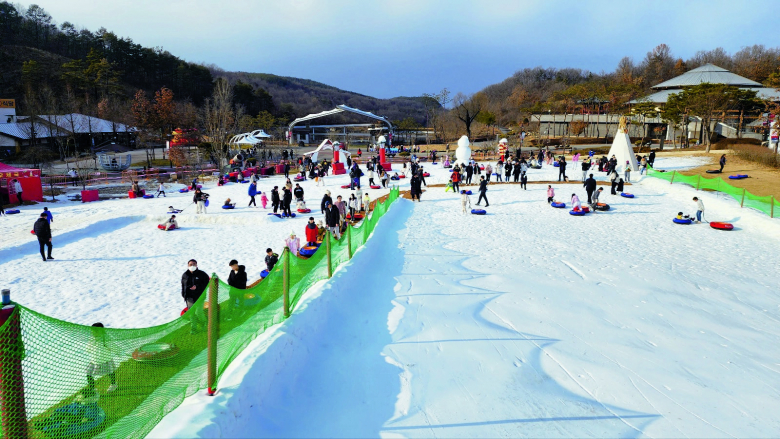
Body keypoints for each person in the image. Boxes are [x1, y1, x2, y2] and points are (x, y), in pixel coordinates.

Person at [84, 322, 118, 398]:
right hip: (95, 360)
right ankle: (93, 389)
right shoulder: (92, 339)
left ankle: (113, 384)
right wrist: (93, 342)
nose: (94, 333)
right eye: (93, 331)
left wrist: (118, 351)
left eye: (96, 331)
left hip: (105, 360)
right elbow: (88, 349)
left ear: (101, 331)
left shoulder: (106, 338)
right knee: (89, 374)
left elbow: (114, 347)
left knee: (110, 372)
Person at [181, 259, 209, 332]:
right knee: (192, 314)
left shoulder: (202, 274)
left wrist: (197, 287)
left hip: (200, 297)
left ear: (196, 265)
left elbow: (206, 284)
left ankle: (204, 323)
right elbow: (183, 286)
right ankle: (194, 328)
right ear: (188, 265)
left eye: (194, 264)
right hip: (189, 298)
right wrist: (184, 295)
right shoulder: (185, 275)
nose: (192, 266)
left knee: (198, 312)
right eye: (190, 264)